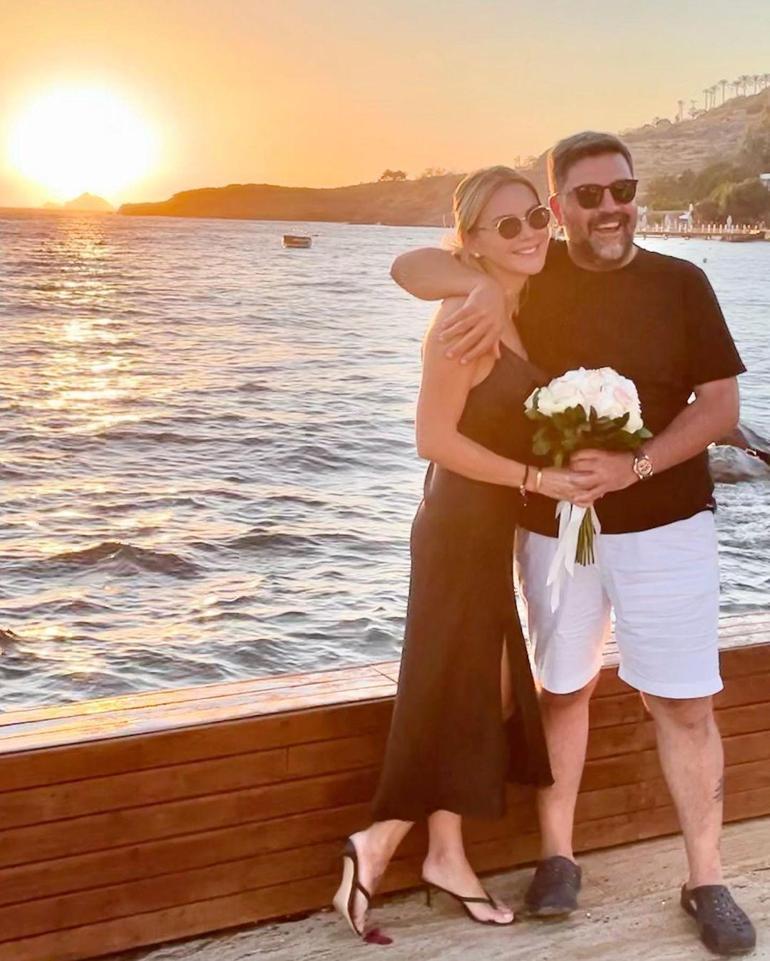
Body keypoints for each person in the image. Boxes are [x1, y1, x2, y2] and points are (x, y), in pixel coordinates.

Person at [390, 131, 756, 957]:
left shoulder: (682, 282)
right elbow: (410, 266)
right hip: (553, 528)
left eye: (622, 190)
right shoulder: (532, 269)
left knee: (684, 704)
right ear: (558, 209)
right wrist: (472, 286)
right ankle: (558, 857)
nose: (610, 208)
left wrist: (638, 463)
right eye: (587, 197)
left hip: (669, 527)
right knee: (562, 687)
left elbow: (721, 407)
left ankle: (706, 878)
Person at [333, 166, 584, 938]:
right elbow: (432, 439)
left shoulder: (516, 299)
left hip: (489, 530)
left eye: (535, 215)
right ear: (472, 240)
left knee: (483, 687)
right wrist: (536, 476)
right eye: (506, 226)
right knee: (473, 686)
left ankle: (443, 851)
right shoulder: (464, 316)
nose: (530, 233)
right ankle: (384, 841)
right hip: (455, 528)